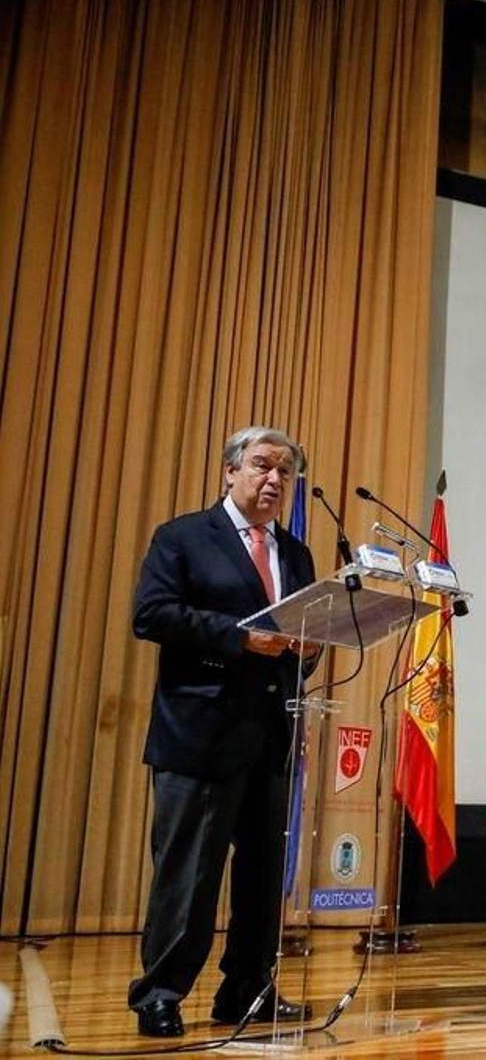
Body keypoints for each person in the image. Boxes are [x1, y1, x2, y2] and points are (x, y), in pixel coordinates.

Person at [127, 427, 318, 1037]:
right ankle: (160, 993)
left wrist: (310, 648)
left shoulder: (294, 552)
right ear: (230, 471)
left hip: (271, 734)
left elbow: (297, 636)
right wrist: (239, 637)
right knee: (191, 874)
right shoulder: (183, 537)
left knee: (263, 873)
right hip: (200, 734)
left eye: (285, 472)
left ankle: (248, 990)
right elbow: (151, 614)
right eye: (263, 466)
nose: (275, 480)